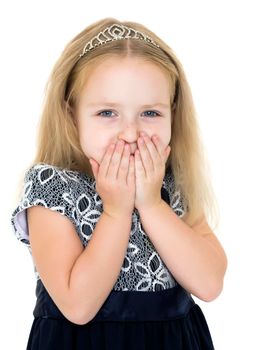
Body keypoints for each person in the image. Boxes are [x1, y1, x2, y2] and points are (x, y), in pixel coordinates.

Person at [11, 17, 227, 350]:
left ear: (172, 114)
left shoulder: (170, 185)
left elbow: (210, 283)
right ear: (72, 114)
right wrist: (116, 210)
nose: (130, 133)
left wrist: (152, 204)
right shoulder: (52, 188)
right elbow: (78, 307)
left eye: (150, 113)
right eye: (108, 113)